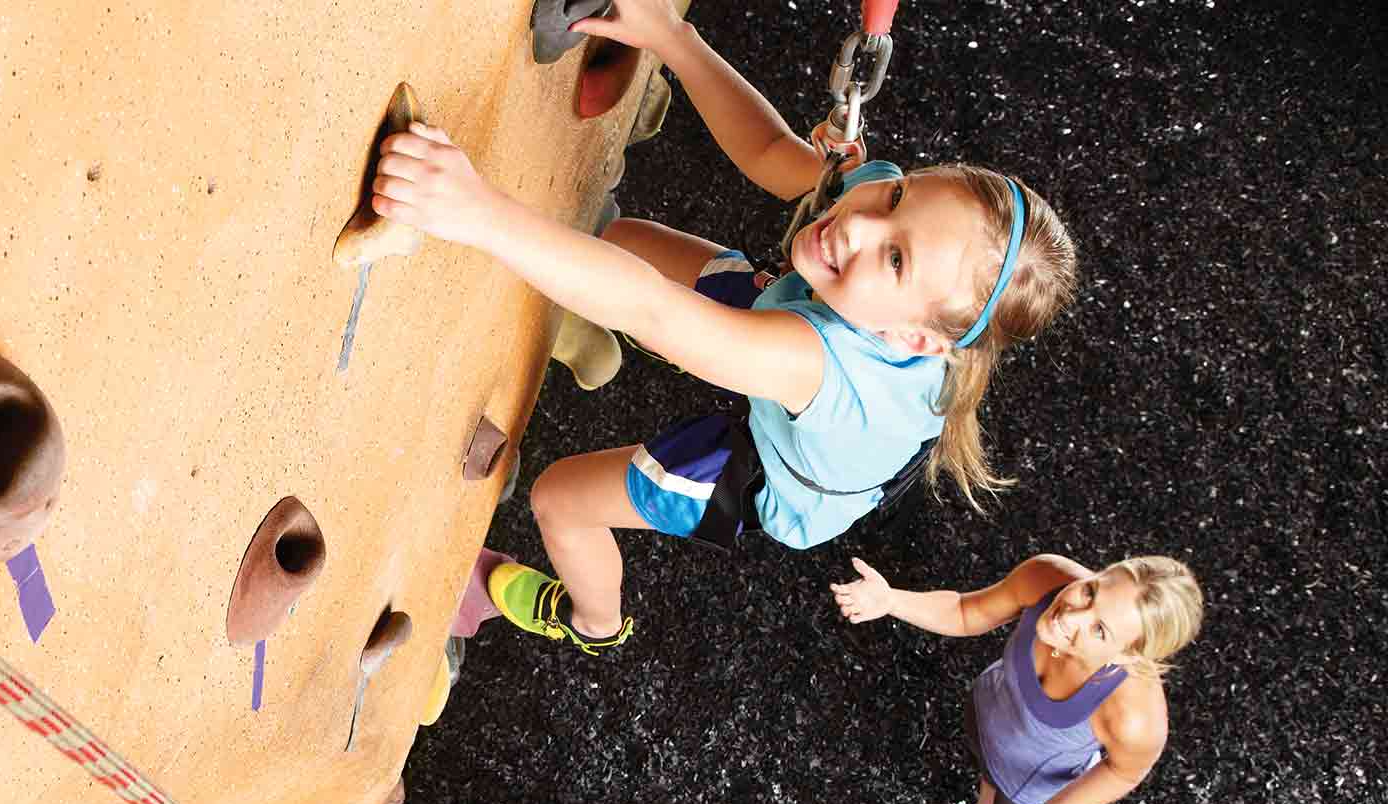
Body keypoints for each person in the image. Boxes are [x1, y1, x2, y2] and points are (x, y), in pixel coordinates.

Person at [368, 0, 1077, 654]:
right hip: (821, 331)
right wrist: (674, 39)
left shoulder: (813, 364)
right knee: (629, 243)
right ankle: (599, 328)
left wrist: (474, 211)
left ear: (918, 341)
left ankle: (592, 622)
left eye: (894, 256)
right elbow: (775, 156)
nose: (859, 221)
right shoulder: (888, 237)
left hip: (767, 470)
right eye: (894, 196)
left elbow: (654, 308)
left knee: (560, 498)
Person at [833, 553, 1204, 804]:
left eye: (1100, 631)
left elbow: (1123, 773)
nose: (1070, 616)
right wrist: (892, 601)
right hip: (989, 715)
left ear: (1127, 655)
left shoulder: (1133, 714)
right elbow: (965, 611)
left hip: (1035, 789)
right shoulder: (1046, 577)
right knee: (987, 773)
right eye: (1090, 591)